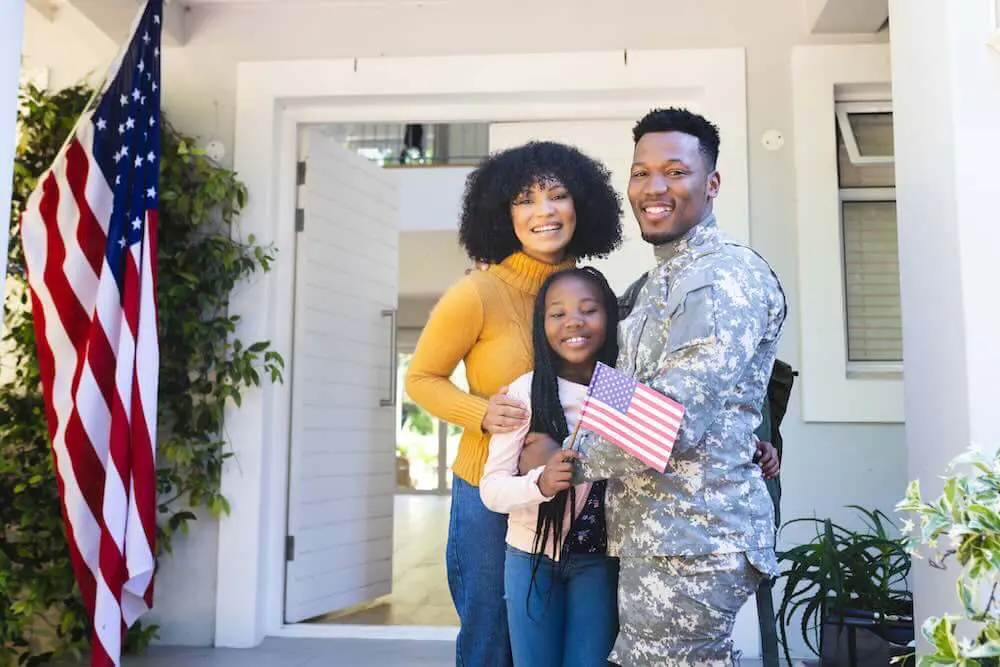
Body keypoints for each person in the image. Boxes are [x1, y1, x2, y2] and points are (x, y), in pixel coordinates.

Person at [531, 107, 788, 666]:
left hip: (694, 540)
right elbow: (620, 390)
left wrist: (563, 458)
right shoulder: (655, 284)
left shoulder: (721, 277)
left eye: (675, 171)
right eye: (641, 172)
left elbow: (664, 422)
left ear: (711, 183)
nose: (654, 188)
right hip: (658, 533)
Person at [404, 141, 624, 667]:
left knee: (570, 641)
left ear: (581, 206)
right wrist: (479, 413)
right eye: (525, 200)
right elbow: (421, 377)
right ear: (503, 214)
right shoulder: (478, 292)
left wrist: (741, 441)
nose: (543, 211)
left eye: (557, 196)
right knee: (491, 637)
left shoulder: (593, 295)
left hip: (575, 498)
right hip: (490, 490)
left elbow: (617, 384)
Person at [479, 267, 622, 667]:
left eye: (588, 309)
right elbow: (491, 489)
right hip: (530, 557)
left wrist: (753, 447)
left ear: (609, 318)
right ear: (542, 326)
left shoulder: (620, 389)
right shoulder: (526, 390)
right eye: (557, 313)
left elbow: (670, 439)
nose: (574, 320)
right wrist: (540, 483)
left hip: (598, 558)